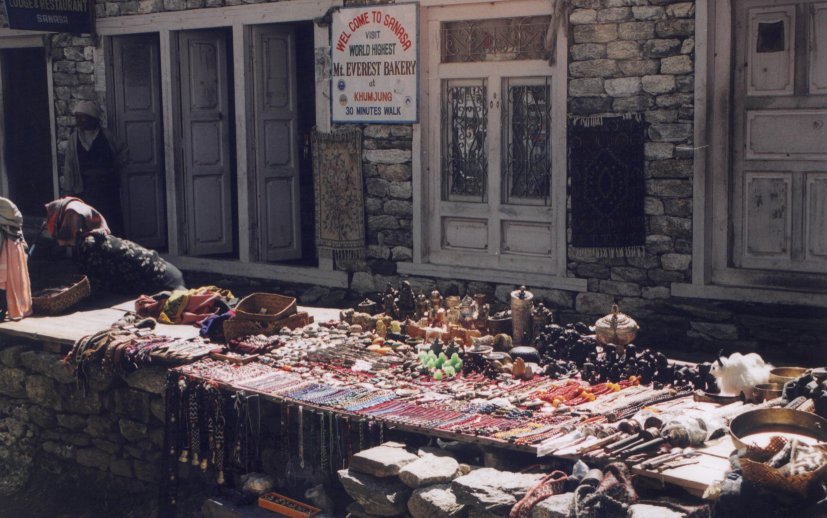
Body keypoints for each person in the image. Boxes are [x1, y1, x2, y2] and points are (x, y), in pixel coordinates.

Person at [44, 197, 186, 294]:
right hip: (164, 277)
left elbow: (94, 286)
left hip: (165, 282)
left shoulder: (90, 244)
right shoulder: (86, 241)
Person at [60, 101, 127, 236]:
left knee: (111, 220)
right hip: (86, 188)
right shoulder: (74, 139)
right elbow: (69, 165)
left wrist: (115, 167)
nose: (79, 121)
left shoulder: (107, 136)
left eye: (83, 117)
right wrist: (68, 189)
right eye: (77, 117)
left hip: (107, 187)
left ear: (93, 118)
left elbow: (124, 151)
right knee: (88, 222)